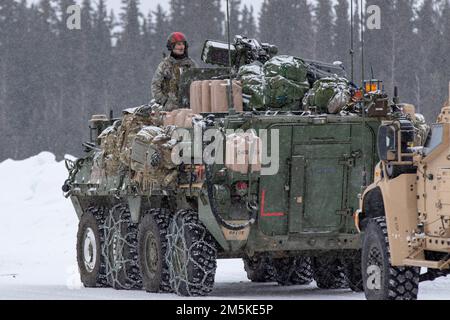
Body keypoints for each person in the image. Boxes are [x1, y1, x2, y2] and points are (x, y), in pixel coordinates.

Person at [151, 32, 197, 111]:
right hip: (170, 109)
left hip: (190, 107)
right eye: (178, 44)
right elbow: (155, 86)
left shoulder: (191, 64)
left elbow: (198, 84)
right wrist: (165, 101)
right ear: (172, 46)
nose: (181, 47)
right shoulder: (165, 65)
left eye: (183, 44)